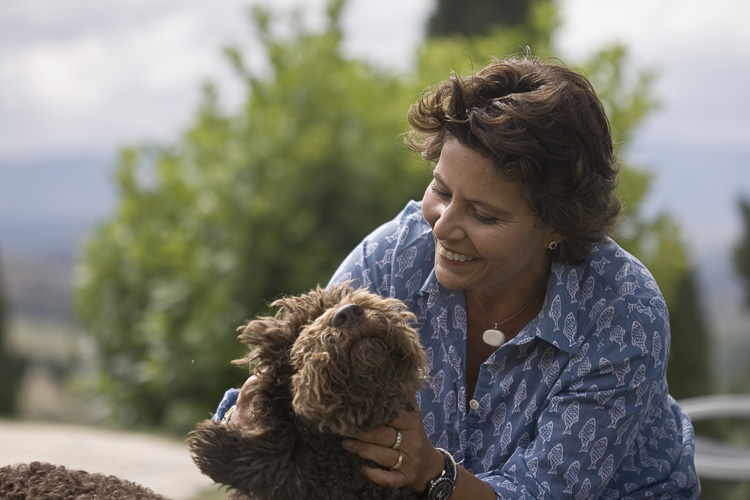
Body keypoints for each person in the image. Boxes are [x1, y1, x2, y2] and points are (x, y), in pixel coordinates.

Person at [213, 55, 700, 499]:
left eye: (484, 215)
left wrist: (431, 472)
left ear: (556, 225)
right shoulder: (396, 254)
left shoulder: (621, 311)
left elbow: (545, 493)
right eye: (441, 190)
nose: (442, 228)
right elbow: (285, 380)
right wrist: (254, 416)